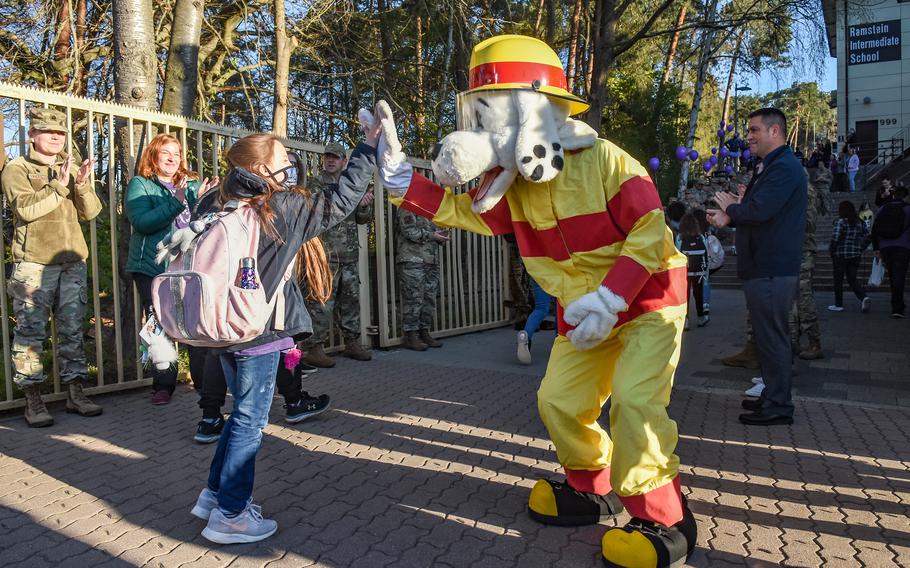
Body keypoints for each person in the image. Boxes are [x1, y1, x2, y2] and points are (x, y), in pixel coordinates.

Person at [190, 124, 378, 544]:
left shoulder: (214, 200)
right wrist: (367, 146)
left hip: (220, 326)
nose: (291, 165)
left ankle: (214, 495)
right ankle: (231, 516)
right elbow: (341, 199)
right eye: (282, 160)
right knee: (250, 423)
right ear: (260, 168)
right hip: (258, 329)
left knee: (239, 415)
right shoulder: (280, 207)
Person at [188, 189, 327, 444]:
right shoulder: (259, 205)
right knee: (282, 347)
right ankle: (291, 401)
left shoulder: (221, 200)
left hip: (225, 300)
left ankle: (211, 417)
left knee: (224, 353)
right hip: (259, 299)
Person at [2, 107, 103, 427]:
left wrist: (83, 185)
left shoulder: (69, 169)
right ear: (32, 135)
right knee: (31, 332)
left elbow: (90, 213)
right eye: (48, 132)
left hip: (72, 263)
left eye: (60, 133)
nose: (56, 137)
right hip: (33, 263)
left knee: (73, 330)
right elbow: (27, 210)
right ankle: (33, 399)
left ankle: (75, 393)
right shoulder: (17, 169)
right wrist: (59, 186)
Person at [710, 107, 807, 427]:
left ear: (775, 132)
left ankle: (779, 405)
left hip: (771, 266)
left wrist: (734, 208)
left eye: (754, 130)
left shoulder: (784, 169)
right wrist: (736, 210)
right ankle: (772, 397)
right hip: (764, 266)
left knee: (773, 337)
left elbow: (760, 210)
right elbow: (755, 209)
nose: (748, 136)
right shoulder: (773, 167)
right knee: (767, 338)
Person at [125, 133, 219, 405]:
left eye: (176, 153)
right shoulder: (140, 184)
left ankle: (204, 384)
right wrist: (176, 201)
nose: (171, 158)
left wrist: (204, 200)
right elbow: (142, 222)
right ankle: (163, 384)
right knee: (161, 326)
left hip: (190, 267)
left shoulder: (191, 185)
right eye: (165, 152)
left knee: (195, 323)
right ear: (153, 156)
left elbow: (205, 224)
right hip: (153, 268)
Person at [302, 142, 375, 367]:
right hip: (325, 255)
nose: (331, 160)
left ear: (344, 161)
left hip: (349, 255)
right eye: (328, 157)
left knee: (351, 301)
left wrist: (363, 206)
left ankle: (352, 342)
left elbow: (363, 220)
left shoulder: (351, 186)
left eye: (335, 157)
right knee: (321, 303)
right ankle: (314, 348)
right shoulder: (315, 184)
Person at [396, 208, 446, 350]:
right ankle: (410, 336)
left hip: (430, 259)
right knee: (413, 298)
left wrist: (441, 236)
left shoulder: (430, 208)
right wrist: (433, 235)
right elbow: (409, 232)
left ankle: (424, 332)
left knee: (428, 298)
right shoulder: (407, 206)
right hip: (412, 259)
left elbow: (435, 230)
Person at [872, 185, 910, 318]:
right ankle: (897, 308)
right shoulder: (908, 209)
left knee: (893, 275)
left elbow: (874, 229)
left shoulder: (882, 208)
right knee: (899, 276)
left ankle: (897, 303)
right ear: (906, 196)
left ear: (893, 195)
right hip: (903, 247)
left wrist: (876, 248)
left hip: (885, 247)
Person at [828, 200, 871, 313]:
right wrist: (861, 248)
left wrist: (831, 251)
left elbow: (835, 238)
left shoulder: (841, 222)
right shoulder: (859, 222)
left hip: (841, 255)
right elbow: (868, 236)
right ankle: (863, 297)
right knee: (852, 279)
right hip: (855, 255)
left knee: (838, 280)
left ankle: (838, 304)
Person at [676, 213, 709, 328]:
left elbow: (677, 253)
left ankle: (686, 320)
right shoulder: (700, 237)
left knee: (685, 296)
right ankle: (701, 318)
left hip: (685, 271)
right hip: (699, 272)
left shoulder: (680, 237)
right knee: (698, 294)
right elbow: (706, 253)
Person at [516, 277, 553, 364]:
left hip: (537, 271)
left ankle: (526, 336)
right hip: (556, 271)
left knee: (540, 309)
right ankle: (559, 344)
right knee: (561, 307)